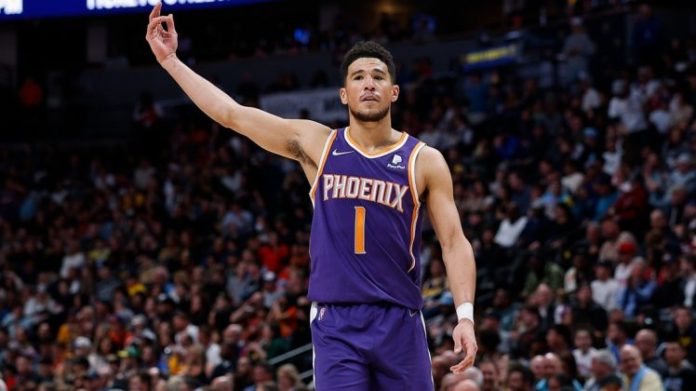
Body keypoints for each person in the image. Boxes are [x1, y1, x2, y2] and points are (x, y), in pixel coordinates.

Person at [145, 3, 477, 390]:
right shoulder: (317, 144)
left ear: (394, 91)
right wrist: (171, 62)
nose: (368, 83)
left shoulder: (424, 160)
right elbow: (231, 114)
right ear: (343, 93)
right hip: (336, 323)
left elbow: (454, 242)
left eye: (378, 76)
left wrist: (465, 315)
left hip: (399, 319)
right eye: (358, 77)